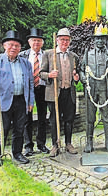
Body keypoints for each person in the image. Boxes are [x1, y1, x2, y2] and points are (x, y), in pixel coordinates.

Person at [0, 30, 34, 166]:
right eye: (11, 44)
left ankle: (17, 153)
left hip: (21, 100)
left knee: (19, 129)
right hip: (4, 101)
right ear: (4, 45)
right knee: (2, 129)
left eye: (17, 46)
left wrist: (30, 101)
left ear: (20, 48)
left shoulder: (25, 63)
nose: (14, 48)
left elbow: (30, 84)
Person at [79, 24, 108, 153]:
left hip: (105, 89)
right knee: (90, 117)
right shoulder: (87, 55)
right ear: (93, 40)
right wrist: (82, 78)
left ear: (106, 40)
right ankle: (89, 142)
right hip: (91, 89)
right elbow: (81, 69)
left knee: (107, 117)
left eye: (102, 38)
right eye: (97, 38)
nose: (100, 41)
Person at [40, 28, 79, 157]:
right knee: (54, 119)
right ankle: (55, 145)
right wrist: (50, 75)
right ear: (57, 40)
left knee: (69, 119)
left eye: (67, 40)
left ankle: (68, 143)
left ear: (70, 41)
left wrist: (76, 78)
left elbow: (76, 74)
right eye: (62, 39)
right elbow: (41, 73)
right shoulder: (48, 54)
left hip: (69, 92)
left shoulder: (73, 56)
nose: (64, 42)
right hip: (54, 93)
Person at [19, 28, 50, 156]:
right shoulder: (22, 55)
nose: (36, 43)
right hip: (27, 90)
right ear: (29, 42)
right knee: (27, 118)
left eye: (39, 40)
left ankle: (41, 144)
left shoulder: (47, 55)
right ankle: (28, 146)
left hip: (43, 88)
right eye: (34, 40)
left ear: (42, 42)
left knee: (43, 117)